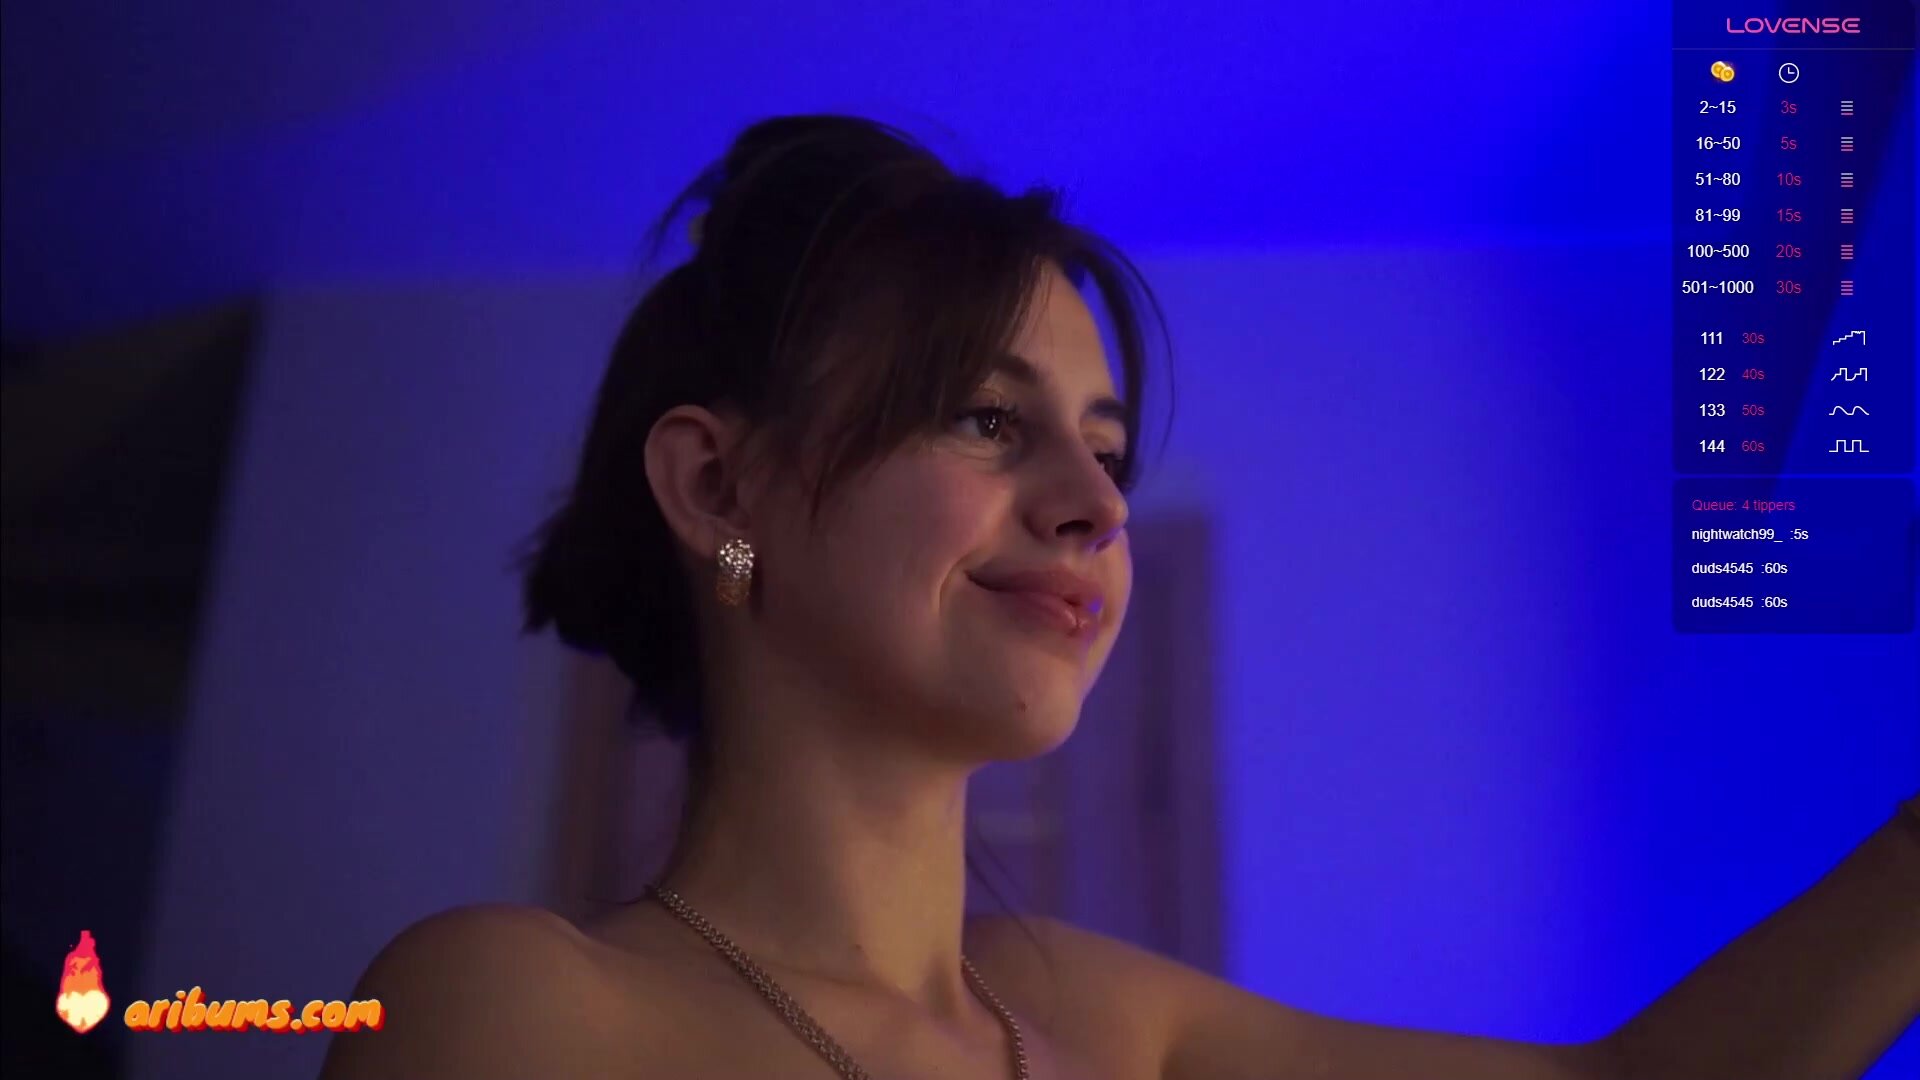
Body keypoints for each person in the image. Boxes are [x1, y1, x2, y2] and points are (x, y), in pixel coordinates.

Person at [320, 115, 1920, 1080]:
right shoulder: (512, 1005)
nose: (1095, 508)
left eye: (1107, 451)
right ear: (717, 491)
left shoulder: (1109, 1022)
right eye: (987, 420)